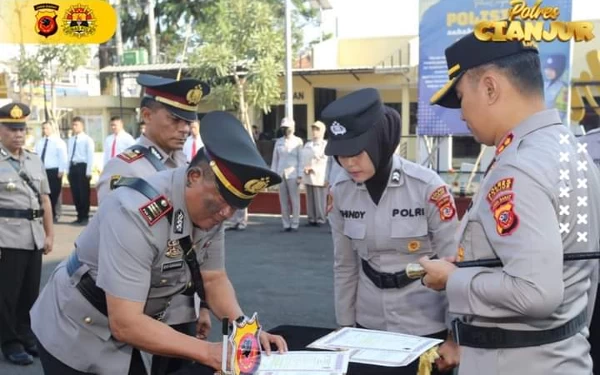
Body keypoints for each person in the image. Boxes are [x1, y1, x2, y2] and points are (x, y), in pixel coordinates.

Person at [31, 110, 288, 375]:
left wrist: (245, 329)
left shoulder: (213, 214)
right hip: (77, 327)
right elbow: (126, 323)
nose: (225, 215)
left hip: (133, 321)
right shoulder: (134, 213)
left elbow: (213, 279)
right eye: (219, 204)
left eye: (234, 208)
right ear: (194, 177)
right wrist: (209, 353)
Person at [421, 32, 600, 375]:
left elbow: (535, 292)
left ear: (490, 88)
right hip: (563, 355)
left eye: (460, 97)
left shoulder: (519, 167)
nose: (461, 114)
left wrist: (452, 280)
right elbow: (583, 274)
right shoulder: (569, 148)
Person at [321, 88, 460, 374]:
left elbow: (457, 267)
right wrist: (345, 327)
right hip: (368, 323)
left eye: (355, 152)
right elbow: (345, 265)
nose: (348, 163)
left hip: (425, 324)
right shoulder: (341, 192)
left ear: (377, 142)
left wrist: (456, 336)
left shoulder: (427, 188)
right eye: (340, 155)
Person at [96, 74, 212, 374]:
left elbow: (194, 244)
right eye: (175, 119)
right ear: (146, 115)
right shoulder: (125, 167)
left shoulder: (186, 167)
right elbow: (121, 245)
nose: (185, 128)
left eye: (188, 120)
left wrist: (202, 304)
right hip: (141, 305)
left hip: (181, 302)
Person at [0, 103, 53, 365]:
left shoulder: (34, 159)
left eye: (21, 129)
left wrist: (49, 234)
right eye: (11, 129)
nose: (18, 134)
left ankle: (25, 334)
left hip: (33, 236)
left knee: (30, 292)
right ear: (0, 130)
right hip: (6, 237)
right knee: (7, 294)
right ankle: (9, 342)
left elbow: (45, 201)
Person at [271, 118, 303, 232]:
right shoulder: (278, 141)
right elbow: (275, 160)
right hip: (281, 174)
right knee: (283, 201)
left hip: (293, 174)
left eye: (287, 128)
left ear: (292, 128)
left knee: (295, 200)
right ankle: (286, 223)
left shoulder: (298, 141)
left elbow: (301, 159)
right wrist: (273, 175)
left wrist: (300, 175)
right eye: (283, 128)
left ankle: (295, 223)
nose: (285, 130)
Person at [34, 121, 68, 222]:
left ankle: (56, 214)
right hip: (42, 170)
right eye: (43, 128)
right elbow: (36, 156)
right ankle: (46, 213)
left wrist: (62, 170)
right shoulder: (40, 142)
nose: (45, 130)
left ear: (52, 129)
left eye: (47, 128)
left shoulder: (58, 142)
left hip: (54, 170)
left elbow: (63, 157)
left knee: (55, 192)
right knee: (44, 192)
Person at [66, 116, 95, 225]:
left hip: (82, 166)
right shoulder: (71, 139)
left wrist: (88, 171)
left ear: (82, 126)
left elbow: (90, 156)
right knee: (75, 193)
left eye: (76, 125)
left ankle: (85, 216)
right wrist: (67, 169)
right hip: (73, 166)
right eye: (73, 125)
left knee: (83, 193)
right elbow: (68, 155)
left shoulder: (87, 139)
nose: (74, 127)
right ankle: (79, 215)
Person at [301, 121, 329, 227]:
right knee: (310, 198)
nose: (314, 132)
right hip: (308, 174)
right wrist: (305, 168)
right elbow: (303, 158)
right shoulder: (308, 144)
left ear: (322, 131)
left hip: (319, 175)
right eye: (313, 129)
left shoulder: (325, 145)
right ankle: (311, 218)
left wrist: (313, 167)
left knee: (320, 199)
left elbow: (325, 160)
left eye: (317, 129)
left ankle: (321, 219)